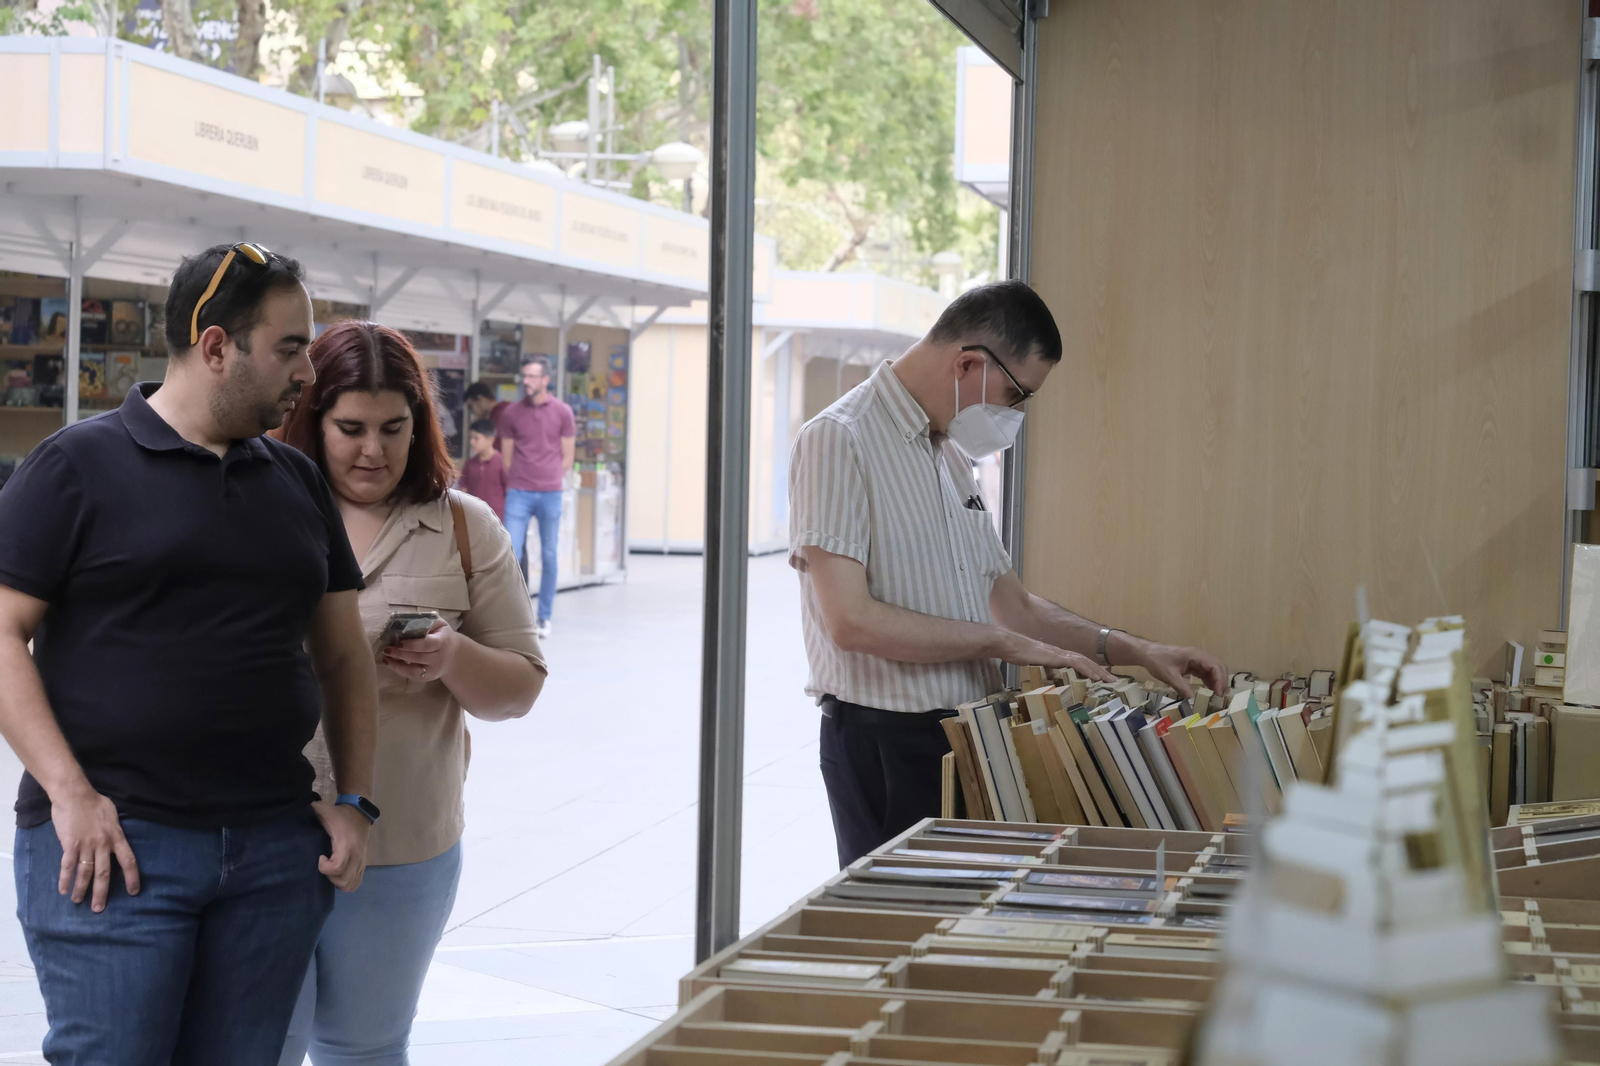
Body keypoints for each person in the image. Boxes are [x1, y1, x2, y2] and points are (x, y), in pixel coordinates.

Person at [0, 242, 379, 1064]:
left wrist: (354, 799)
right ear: (216, 347)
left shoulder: (296, 479)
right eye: (289, 347)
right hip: (116, 847)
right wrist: (70, 796)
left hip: (275, 852)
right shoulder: (74, 465)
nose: (308, 372)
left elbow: (345, 658)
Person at [789, 280, 1228, 867]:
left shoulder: (944, 454)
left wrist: (1137, 650)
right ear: (968, 362)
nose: (1014, 414)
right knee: (906, 935)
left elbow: (1014, 606)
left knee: (965, 932)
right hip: (885, 741)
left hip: (965, 733)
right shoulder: (838, 439)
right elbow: (851, 622)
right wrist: (998, 642)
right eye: (1014, 394)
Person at [276, 321, 547, 1066]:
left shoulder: (464, 526)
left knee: (364, 1048)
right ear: (311, 419)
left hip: (402, 845)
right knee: (260, 1045)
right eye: (351, 428)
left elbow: (518, 689)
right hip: (265, 840)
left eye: (395, 427)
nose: (374, 450)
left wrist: (452, 656)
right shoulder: (260, 514)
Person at [499, 356, 575, 639]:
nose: (526, 381)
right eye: (525, 376)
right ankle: (514, 615)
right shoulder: (511, 414)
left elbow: (568, 457)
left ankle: (544, 617)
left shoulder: (563, 412)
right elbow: (506, 459)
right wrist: (521, 479)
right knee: (510, 553)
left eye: (532, 376)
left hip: (550, 492)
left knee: (550, 554)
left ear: (546, 380)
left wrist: (549, 478)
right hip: (519, 491)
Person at [458, 417, 508, 520]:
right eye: (471, 438)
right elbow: (463, 491)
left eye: (476, 438)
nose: (472, 442)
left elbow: (509, 492)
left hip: (497, 519)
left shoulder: (502, 463)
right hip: (474, 518)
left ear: (490, 439)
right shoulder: (470, 464)